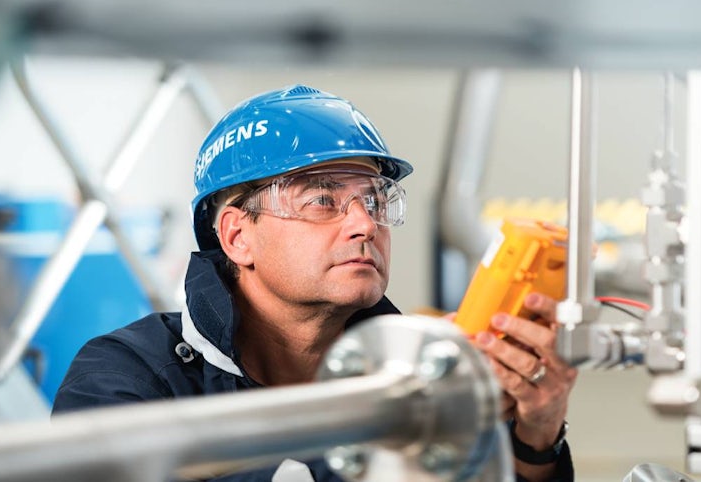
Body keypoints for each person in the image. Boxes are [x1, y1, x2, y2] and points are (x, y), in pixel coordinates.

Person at [53, 85, 577, 481]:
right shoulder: (129, 379)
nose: (364, 224)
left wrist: (537, 434)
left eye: (372, 200)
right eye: (322, 199)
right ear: (237, 236)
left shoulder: (423, 372)